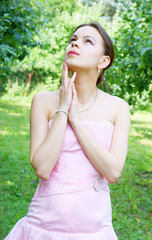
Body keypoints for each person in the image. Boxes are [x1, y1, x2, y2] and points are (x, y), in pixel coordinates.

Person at [5, 21, 130, 240]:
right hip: (43, 226)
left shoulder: (118, 108)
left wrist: (77, 122)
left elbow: (113, 172)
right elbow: (42, 168)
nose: (75, 43)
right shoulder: (43, 102)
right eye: (73, 39)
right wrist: (63, 109)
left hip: (95, 229)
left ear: (104, 61)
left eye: (87, 41)